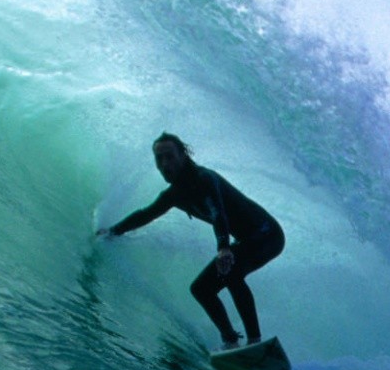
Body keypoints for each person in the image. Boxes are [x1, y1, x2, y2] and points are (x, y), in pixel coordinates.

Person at [97, 134, 285, 348]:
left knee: (231, 271)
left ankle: (254, 341)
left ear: (183, 156)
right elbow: (145, 214)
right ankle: (230, 340)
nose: (165, 163)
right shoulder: (173, 195)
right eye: (160, 159)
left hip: (268, 234)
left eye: (170, 156)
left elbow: (218, 213)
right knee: (201, 289)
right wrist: (113, 231)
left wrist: (224, 248)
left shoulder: (205, 179)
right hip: (247, 240)